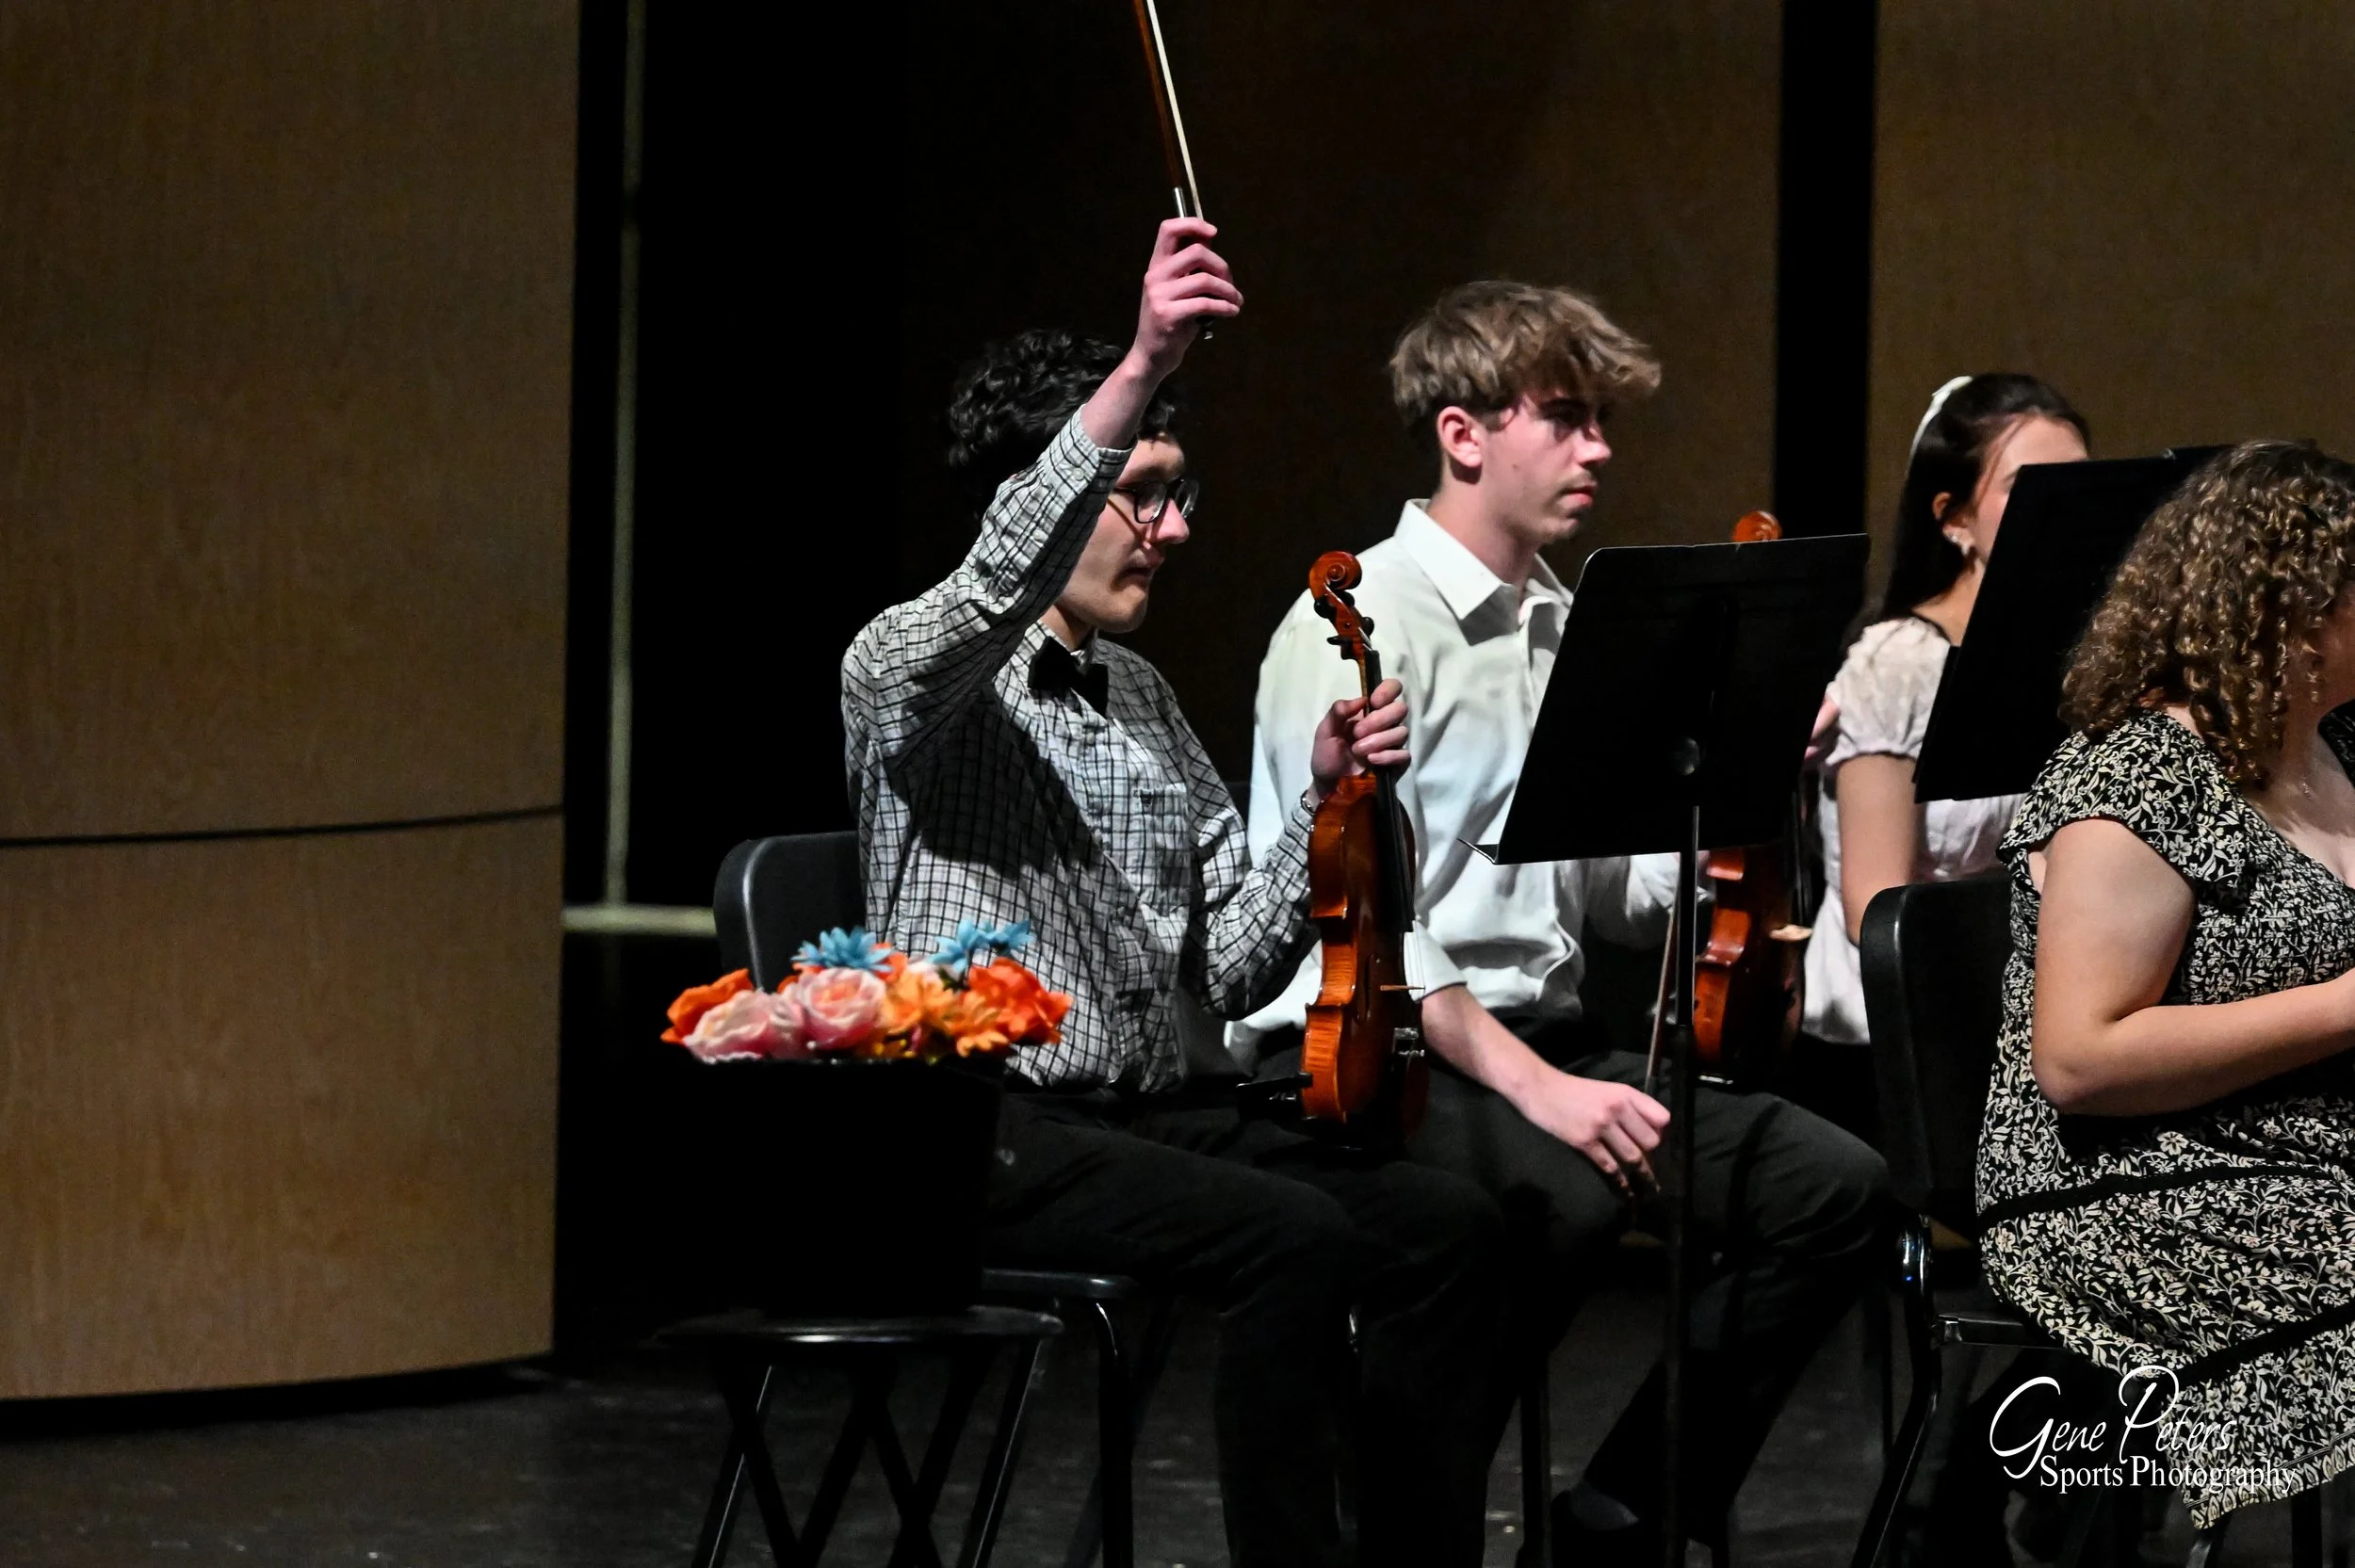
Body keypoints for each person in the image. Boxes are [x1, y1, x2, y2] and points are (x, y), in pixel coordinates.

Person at [841, 218, 1506, 1568]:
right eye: (1144, 490)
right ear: (1047, 490)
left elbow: (1233, 969)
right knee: (1295, 1241)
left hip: (1142, 1120)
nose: (1176, 528)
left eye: (1181, 491)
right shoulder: (903, 675)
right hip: (974, 1137)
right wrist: (1143, 359)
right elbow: (991, 583)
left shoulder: (1138, 694)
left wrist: (1325, 814)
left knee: (1453, 1231)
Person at [1236, 279, 1889, 1563]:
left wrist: (1745, 783)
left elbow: (1611, 888)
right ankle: (1403, 1523)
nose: (1599, 449)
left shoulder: (1568, 622)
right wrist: (1543, 1088)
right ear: (1463, 434)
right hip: (1370, 1055)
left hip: (1538, 1043)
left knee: (1838, 1191)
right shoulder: (1350, 625)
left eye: (1603, 421)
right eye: (1568, 417)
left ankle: (1619, 1517)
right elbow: (1351, 928)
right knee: (1564, 1200)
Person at [1978, 439, 2355, 1532]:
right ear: (2292, 606)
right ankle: (2066, 1489)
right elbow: (2080, 1060)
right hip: (2129, 1180)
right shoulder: (2136, 778)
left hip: (2306, 1145)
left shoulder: (2339, 746)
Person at [1792, 374, 2090, 1138]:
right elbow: (1875, 906)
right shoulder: (1899, 660)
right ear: (1954, 519)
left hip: (2023, 1010)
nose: (2058, 510)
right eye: (2029, 488)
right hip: (1894, 1032)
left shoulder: (2081, 661)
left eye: (2076, 487)